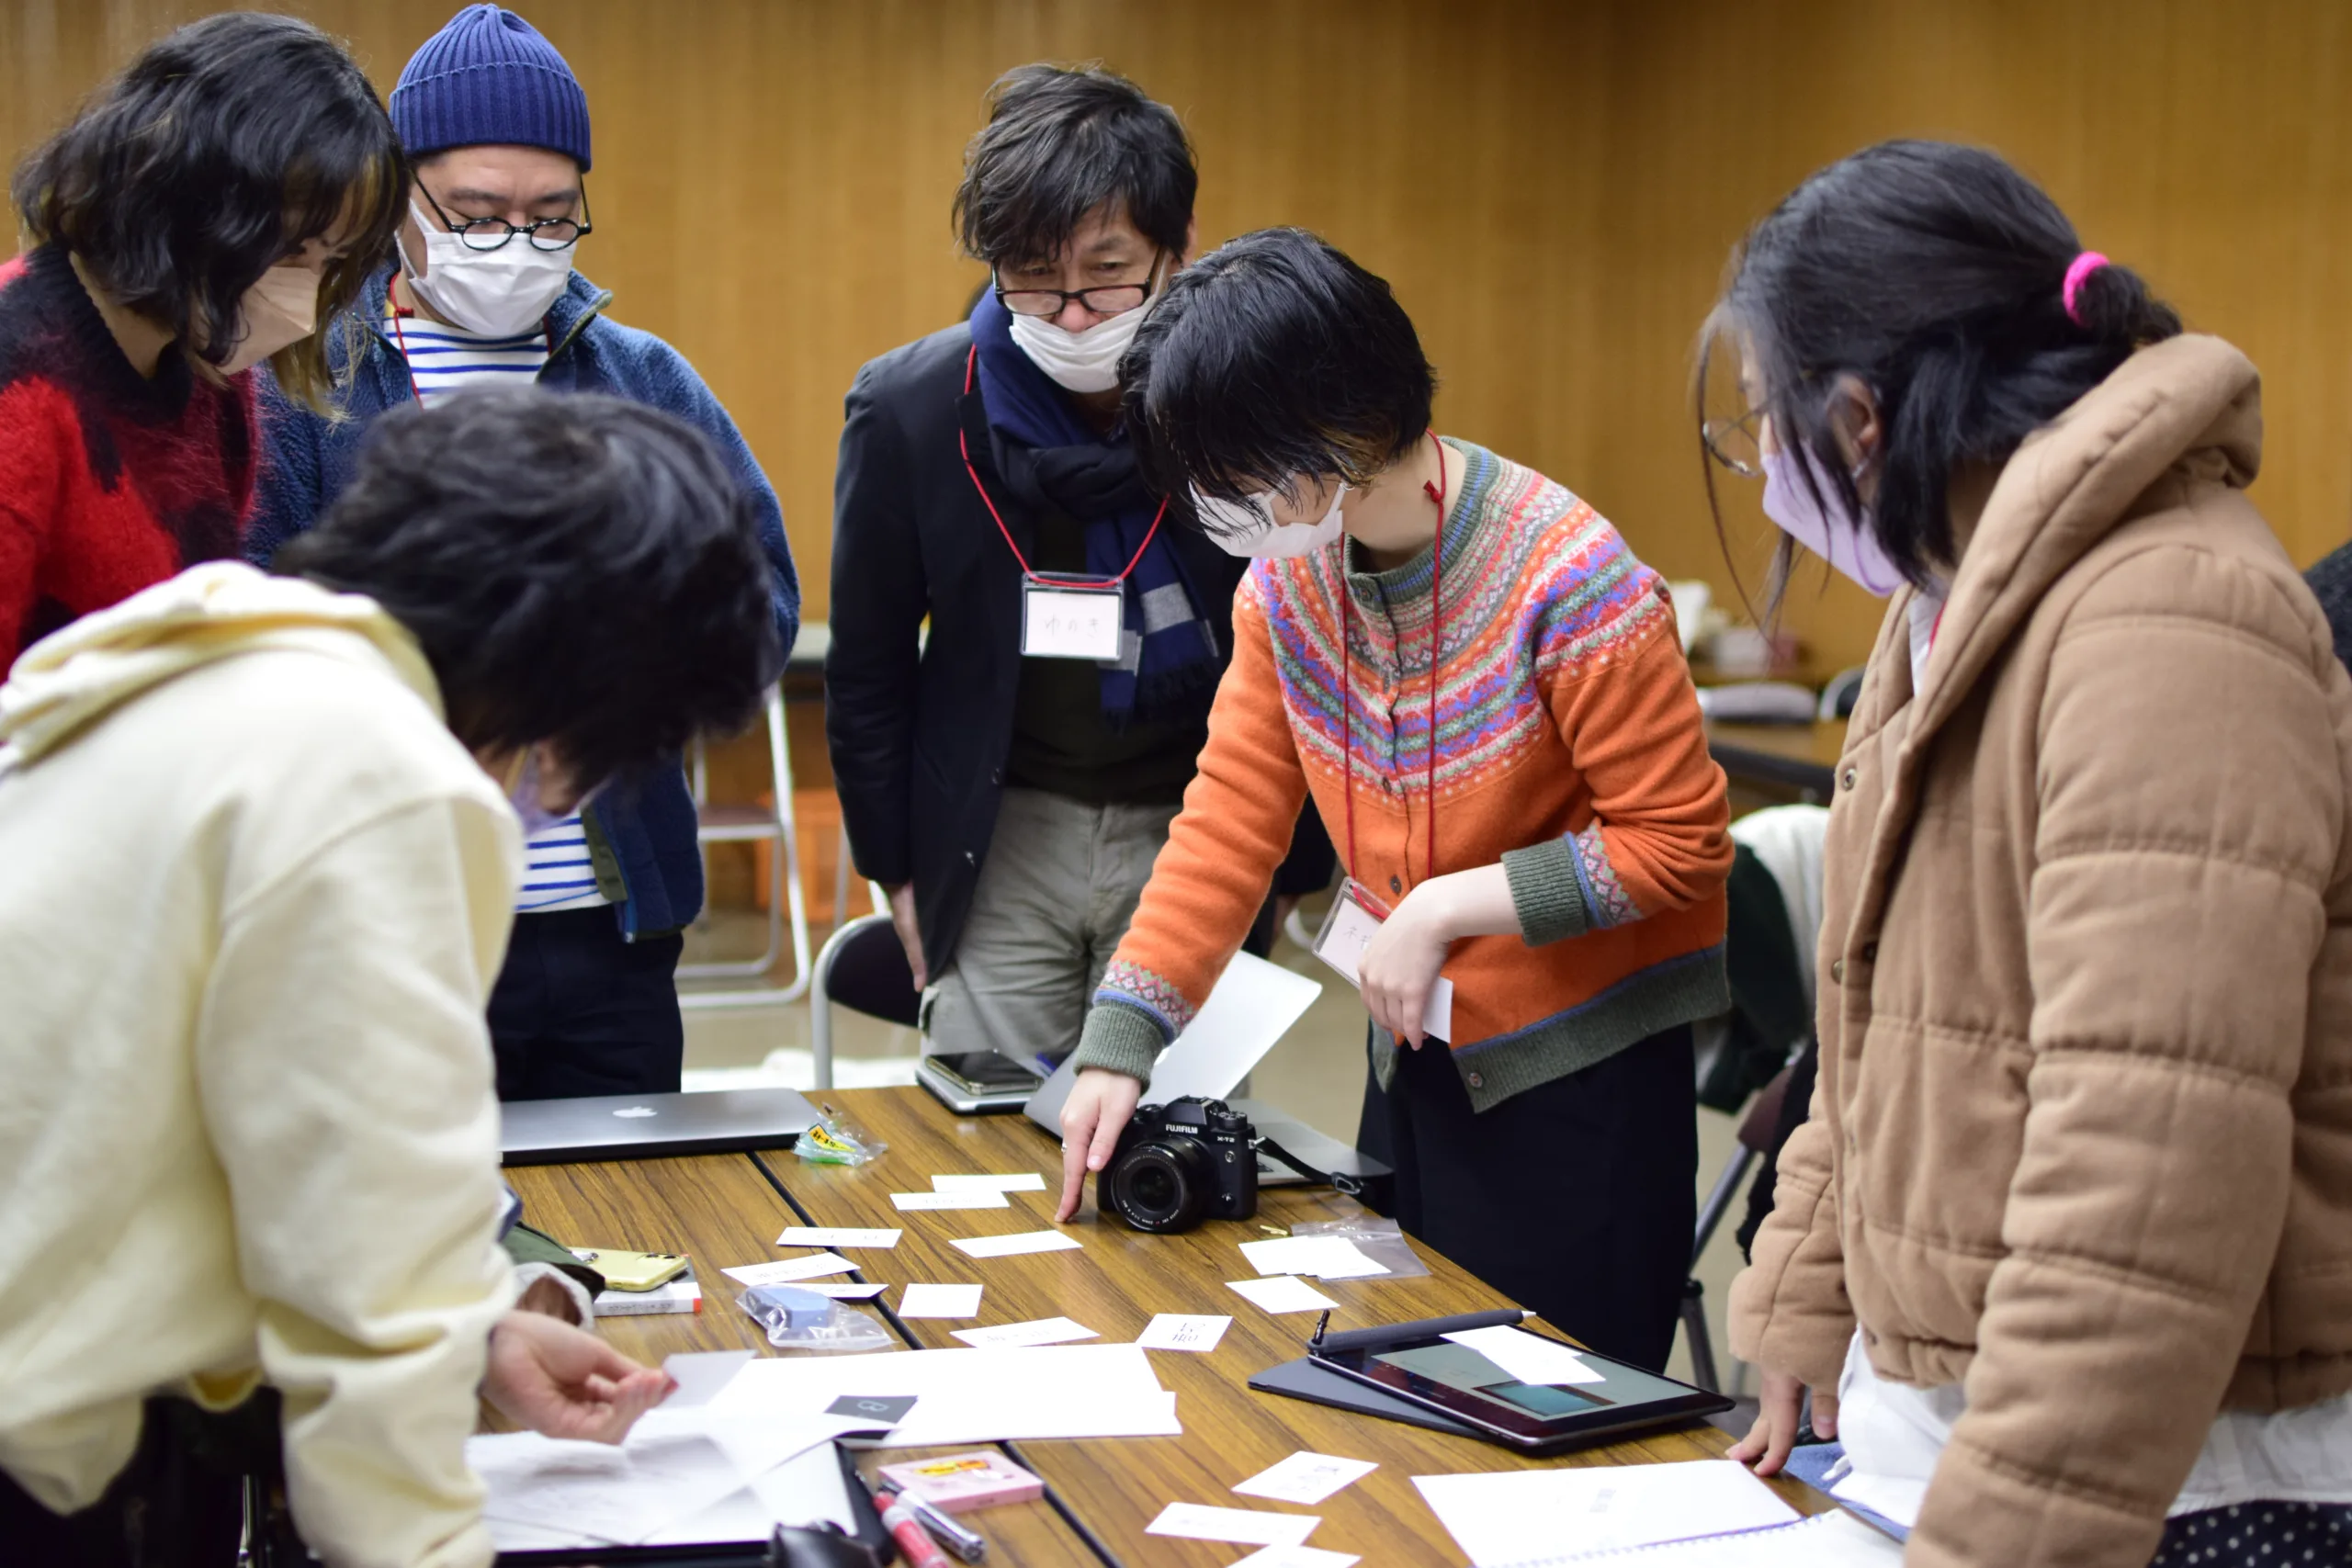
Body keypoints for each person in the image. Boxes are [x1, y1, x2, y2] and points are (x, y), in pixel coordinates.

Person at [0, 388, 778, 1565]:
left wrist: (478, 1325)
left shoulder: (215, 653)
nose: (565, 790)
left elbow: (284, 1132)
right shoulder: (382, 773)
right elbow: (367, 1273)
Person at [1710, 141, 2352, 1566]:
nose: (1762, 473)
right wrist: (1811, 1294)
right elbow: (1876, 1027)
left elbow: (2151, 1159)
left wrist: (2009, 1528)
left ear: (1860, 419)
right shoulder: (1946, 600)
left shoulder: (2170, 619)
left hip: (2187, 1473)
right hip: (1953, 1402)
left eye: (1764, 425)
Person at [1053, 228, 1734, 1370]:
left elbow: (1677, 845)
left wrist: (1441, 909)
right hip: (1412, 1052)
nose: (1211, 506)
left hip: (1581, 1086)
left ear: (1326, 437)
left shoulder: (1568, 577)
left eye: (1224, 473)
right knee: (1406, 1386)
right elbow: (1229, 818)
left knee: (1554, 1415)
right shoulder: (1287, 580)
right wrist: (1123, 1041)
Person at [247, 3, 801, 1102]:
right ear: (398, 199)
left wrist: (613, 685)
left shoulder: (642, 381)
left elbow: (761, 607)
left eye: (552, 218)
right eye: (478, 214)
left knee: (630, 1230)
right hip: (395, 933)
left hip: (610, 933)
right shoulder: (310, 383)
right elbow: (261, 639)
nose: (516, 246)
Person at [826, 64, 1329, 1071]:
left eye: (1105, 273)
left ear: (1178, 249)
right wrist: (901, 877)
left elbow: (1317, 651)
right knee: (989, 1138)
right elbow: (868, 670)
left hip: (1199, 826)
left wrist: (1287, 868)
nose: (1067, 314)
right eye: (1031, 276)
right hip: (1000, 828)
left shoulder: (1246, 406)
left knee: (1175, 1141)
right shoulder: (915, 409)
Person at [0, 10, 403, 668]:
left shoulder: (210, 377)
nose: (306, 298)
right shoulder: (18, 379)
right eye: (293, 251)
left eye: (331, 262)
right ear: (190, 198)